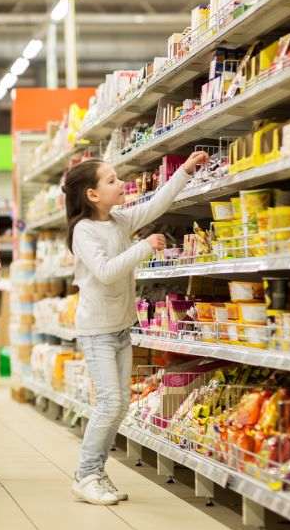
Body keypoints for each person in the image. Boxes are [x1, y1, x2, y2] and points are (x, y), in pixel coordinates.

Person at [64, 151, 208, 505]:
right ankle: (85, 475)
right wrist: (144, 246)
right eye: (111, 180)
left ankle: (96, 471)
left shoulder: (119, 219)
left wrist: (185, 173)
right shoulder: (85, 230)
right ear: (92, 195)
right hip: (97, 330)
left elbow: (155, 206)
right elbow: (106, 271)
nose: (121, 184)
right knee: (109, 403)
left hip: (121, 328)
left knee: (121, 403)